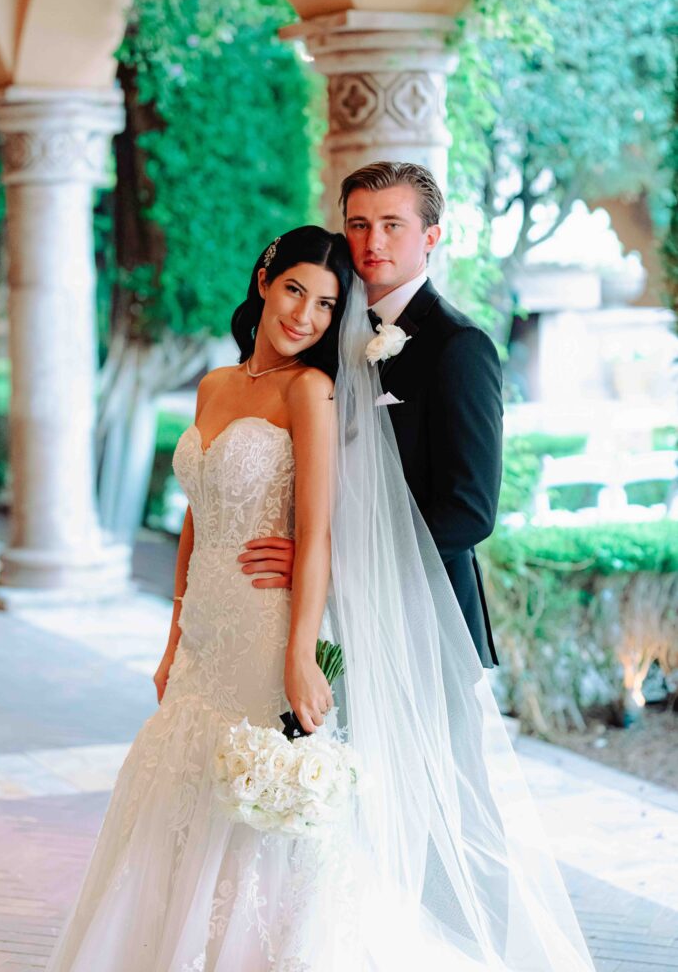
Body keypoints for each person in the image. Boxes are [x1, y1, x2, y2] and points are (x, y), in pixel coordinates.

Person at [46, 224, 594, 971]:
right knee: (181, 797)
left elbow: (321, 533)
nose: (304, 314)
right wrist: (173, 637)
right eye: (295, 289)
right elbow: (197, 517)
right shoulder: (214, 384)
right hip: (204, 635)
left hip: (268, 627)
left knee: (260, 815)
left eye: (327, 305)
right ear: (265, 278)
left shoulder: (311, 390)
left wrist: (302, 654)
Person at [240, 161, 502, 668]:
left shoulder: (459, 346)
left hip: (423, 621)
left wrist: (334, 564)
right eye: (358, 225)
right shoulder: (326, 327)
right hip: (327, 617)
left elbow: (469, 510)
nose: (371, 241)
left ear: (431, 237)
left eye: (391, 225)